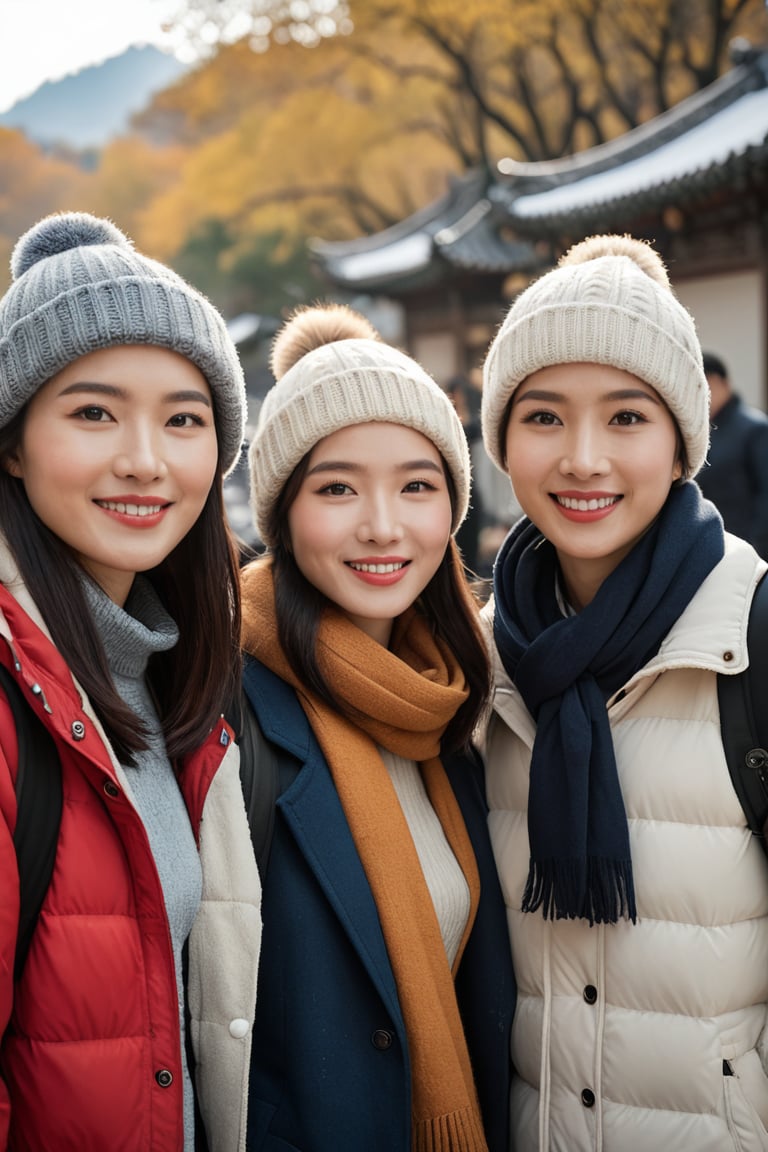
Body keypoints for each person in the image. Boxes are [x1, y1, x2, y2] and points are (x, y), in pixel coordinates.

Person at [478, 234, 768, 1151]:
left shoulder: (750, 636)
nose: (584, 459)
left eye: (628, 419)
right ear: (502, 440)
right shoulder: (482, 658)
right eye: (545, 417)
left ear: (683, 439)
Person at [0, 212, 262, 1151]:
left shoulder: (172, 670)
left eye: (184, 419)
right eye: (94, 412)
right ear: (12, 442)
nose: (146, 460)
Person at [238, 304, 515, 1152]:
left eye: (416, 485)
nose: (383, 525)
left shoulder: (459, 704)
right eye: (337, 488)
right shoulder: (225, 709)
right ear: (282, 513)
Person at [696, 350, 768, 558]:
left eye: (703, 385)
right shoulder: (703, 431)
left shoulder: (755, 428)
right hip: (714, 545)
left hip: (747, 549)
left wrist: (757, 548)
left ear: (720, 382)